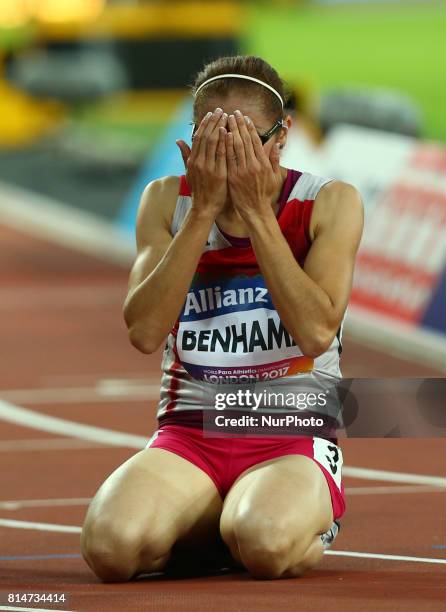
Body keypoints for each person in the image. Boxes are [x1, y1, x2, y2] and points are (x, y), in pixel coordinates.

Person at [80, 55, 363, 582]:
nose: (228, 153)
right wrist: (204, 212)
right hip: (191, 435)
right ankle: (219, 519)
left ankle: (295, 519)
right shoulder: (167, 200)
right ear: (191, 138)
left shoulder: (328, 202)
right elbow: (143, 332)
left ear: (281, 138)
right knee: (111, 550)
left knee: (265, 543)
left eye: (244, 138)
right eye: (213, 136)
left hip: (291, 434)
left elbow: (316, 331)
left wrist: (257, 213)